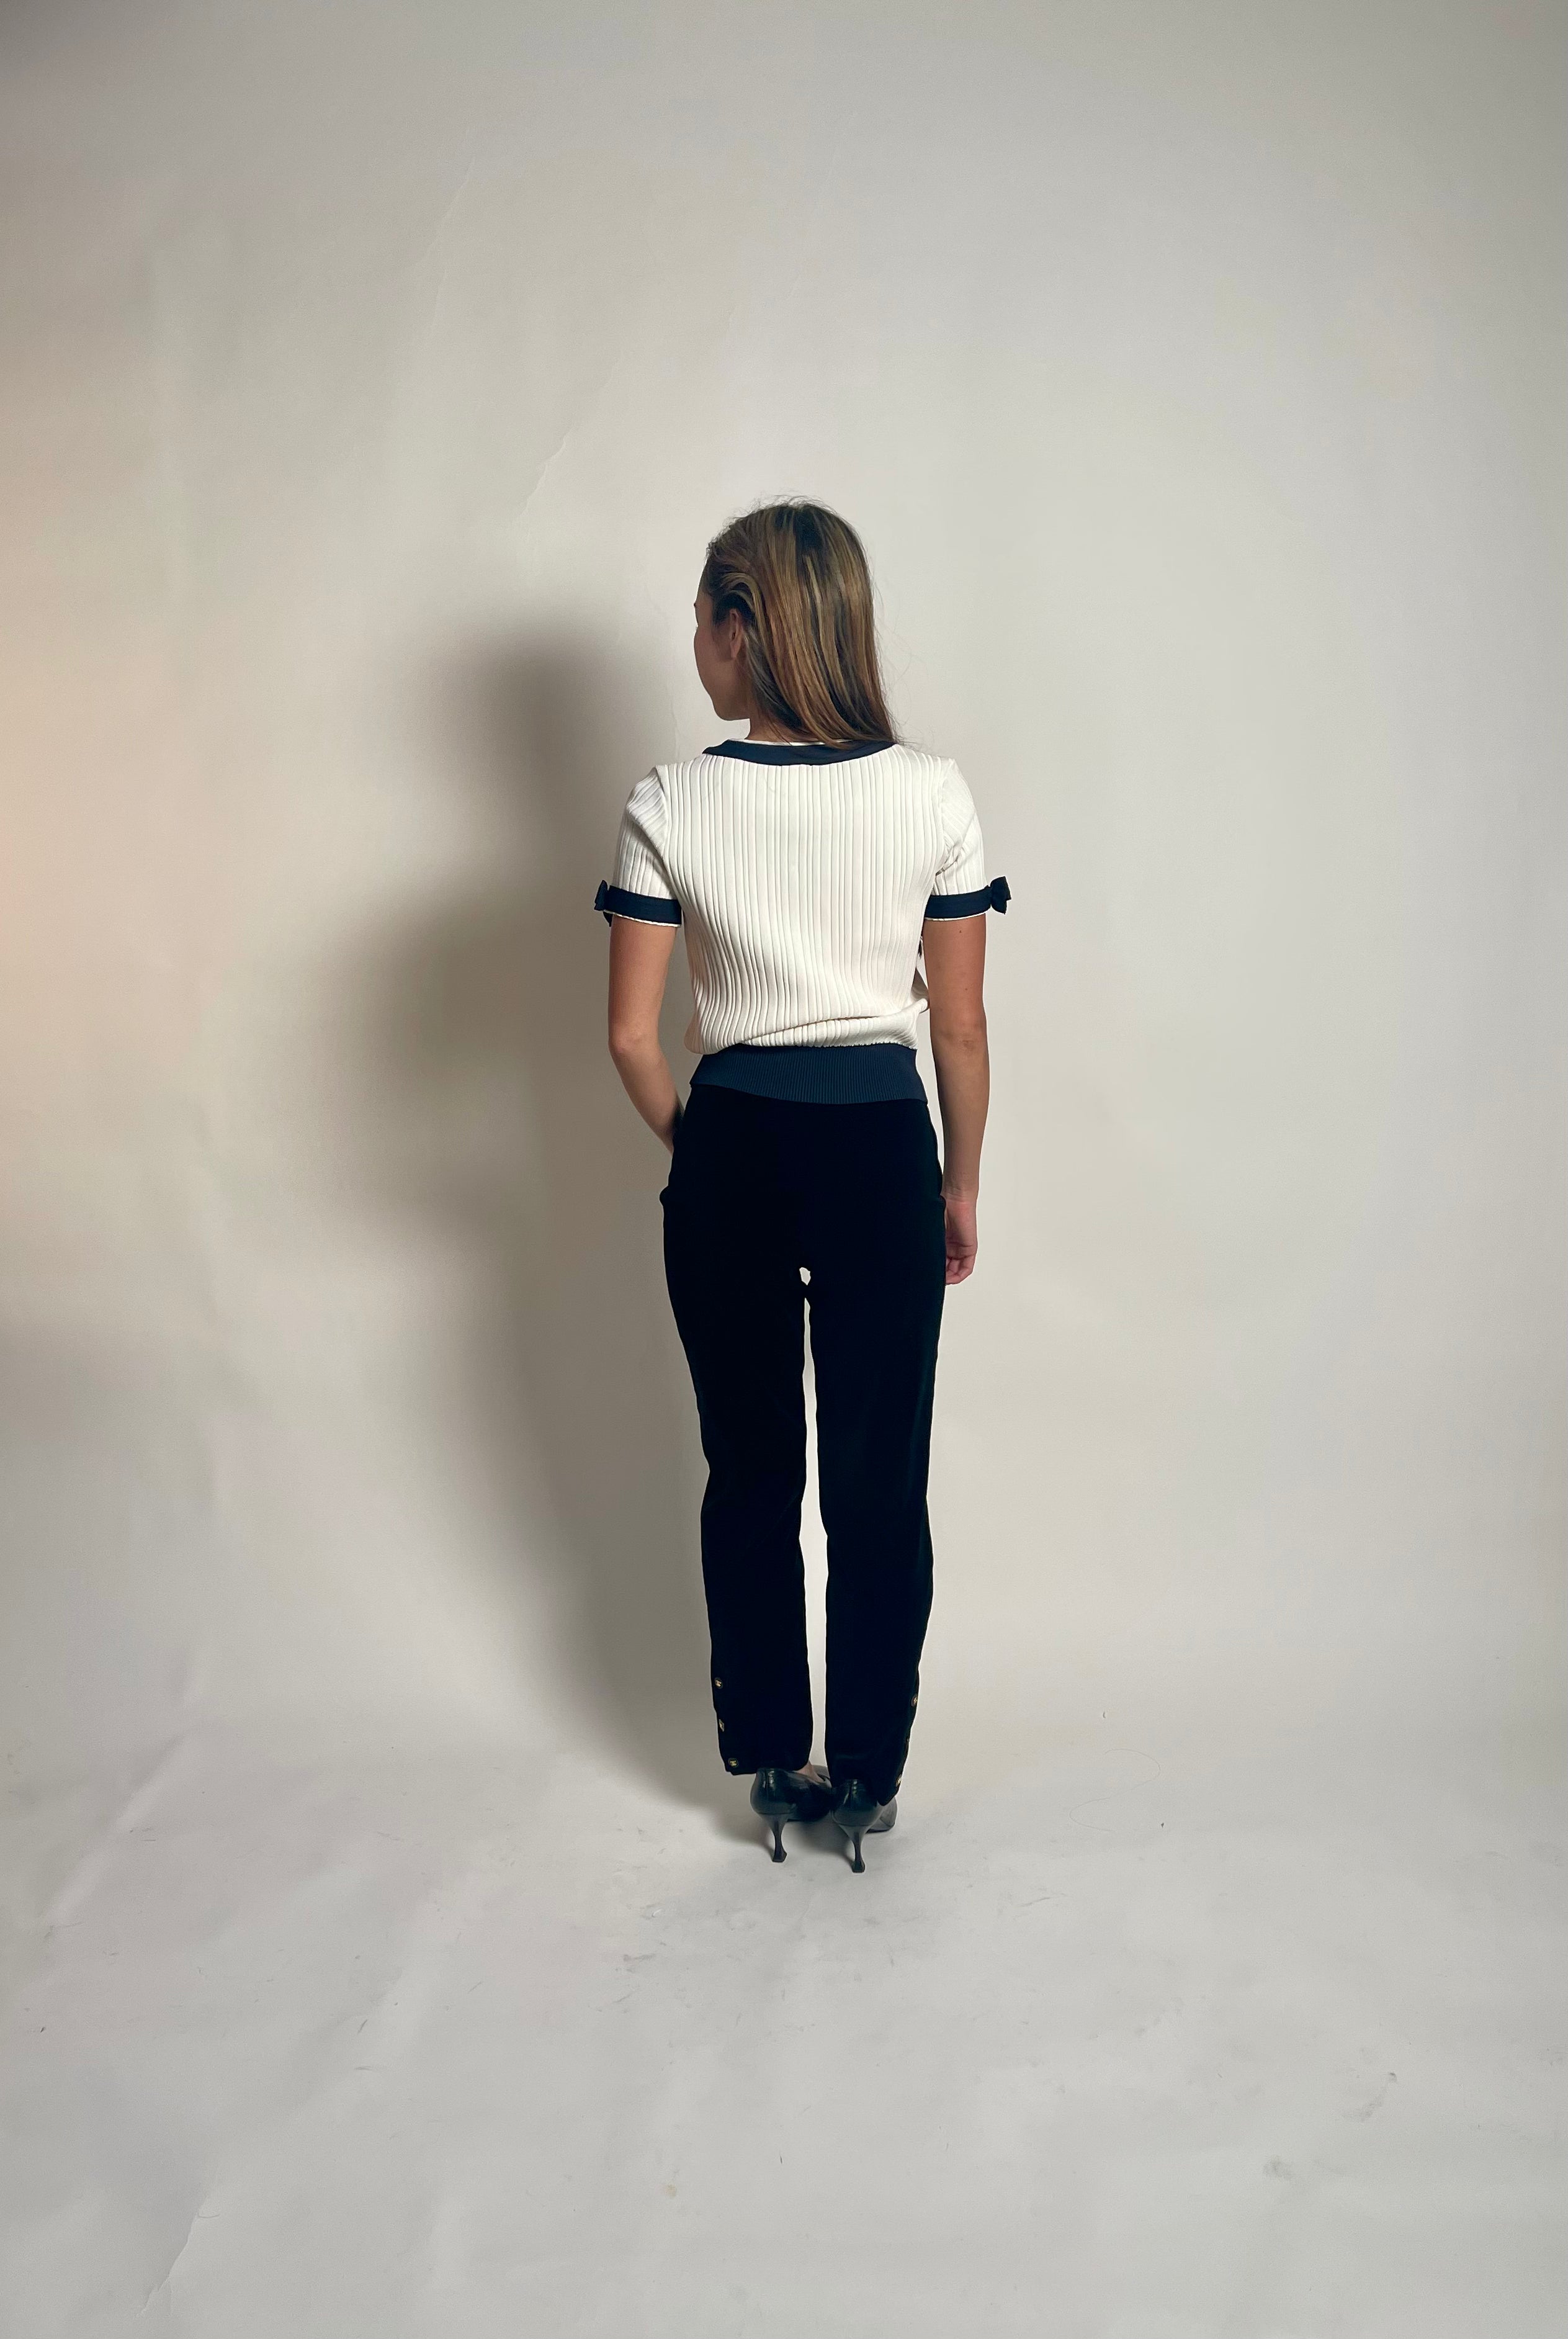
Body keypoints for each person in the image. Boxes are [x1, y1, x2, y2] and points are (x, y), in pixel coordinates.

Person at [593, 499, 1008, 1873]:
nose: (693, 645)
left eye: (700, 620)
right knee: (879, 1477)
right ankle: (869, 1772)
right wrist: (958, 1184)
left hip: (735, 1142)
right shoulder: (932, 794)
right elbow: (958, 1029)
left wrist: (705, 1151)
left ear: (742, 626)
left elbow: (631, 1039)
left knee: (752, 1466)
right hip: (883, 1145)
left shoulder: (670, 801)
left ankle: (776, 1758)